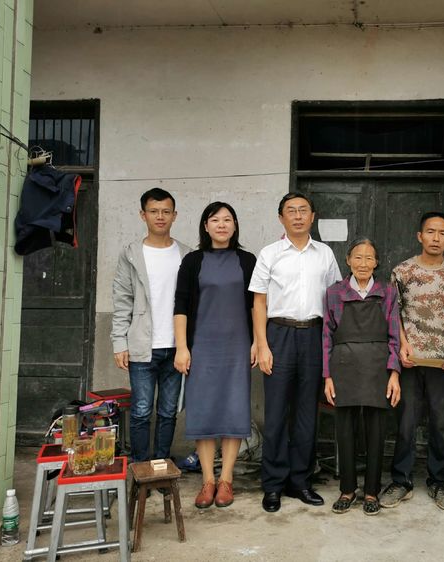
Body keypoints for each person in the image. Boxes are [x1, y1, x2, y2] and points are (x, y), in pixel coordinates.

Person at [249, 192, 342, 513]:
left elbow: (335, 298)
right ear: (281, 218)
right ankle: (273, 484)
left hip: (314, 334)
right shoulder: (270, 253)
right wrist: (262, 344)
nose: (298, 216)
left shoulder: (325, 254)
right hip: (279, 334)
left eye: (304, 210)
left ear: (312, 217)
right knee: (276, 413)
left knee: (306, 413)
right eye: (291, 211)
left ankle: (300, 481)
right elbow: (258, 302)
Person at [379, 211, 444, 511]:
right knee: (406, 421)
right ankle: (401, 480)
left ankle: (438, 481)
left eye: (442, 233)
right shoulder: (402, 271)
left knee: (441, 422)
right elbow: (393, 313)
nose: (436, 238)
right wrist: (402, 345)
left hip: (443, 361)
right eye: (430, 232)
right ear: (420, 236)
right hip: (410, 360)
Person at [173, 202, 258, 509]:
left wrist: (257, 342)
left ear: (235, 226)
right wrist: (182, 347)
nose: (222, 225)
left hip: (238, 346)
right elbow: (181, 305)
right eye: (215, 220)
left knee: (234, 409)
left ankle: (226, 480)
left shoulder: (247, 260)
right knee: (204, 410)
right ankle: (208, 480)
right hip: (202, 346)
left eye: (227, 219)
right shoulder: (193, 260)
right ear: (205, 226)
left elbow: (256, 304)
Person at [323, 238, 402, 516]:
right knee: (344, 431)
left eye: (369, 258)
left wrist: (394, 373)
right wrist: (327, 376)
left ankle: (371, 491)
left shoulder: (388, 292)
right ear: (348, 260)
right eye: (358, 257)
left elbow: (395, 336)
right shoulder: (334, 293)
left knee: (376, 432)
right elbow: (326, 336)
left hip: (377, 369)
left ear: (376, 262)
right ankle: (347, 489)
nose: (363, 263)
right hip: (343, 367)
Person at [111, 188, 191, 463]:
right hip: (142, 346)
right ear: (142, 215)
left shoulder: (186, 254)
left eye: (166, 211)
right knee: (141, 411)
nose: (160, 217)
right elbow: (122, 299)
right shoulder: (131, 253)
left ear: (174, 215)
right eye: (154, 211)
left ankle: (160, 465)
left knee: (168, 411)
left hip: (177, 347)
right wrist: (119, 342)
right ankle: (140, 466)